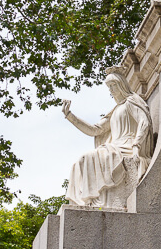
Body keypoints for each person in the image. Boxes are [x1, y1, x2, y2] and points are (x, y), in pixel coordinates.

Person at [62, 69, 154, 207]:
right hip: (114, 147)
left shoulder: (131, 102)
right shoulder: (115, 110)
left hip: (127, 147)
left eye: (113, 86)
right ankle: (83, 202)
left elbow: (144, 122)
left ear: (121, 85)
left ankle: (91, 200)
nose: (111, 90)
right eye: (109, 87)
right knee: (79, 163)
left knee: (88, 158)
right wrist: (70, 116)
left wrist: (137, 145)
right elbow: (95, 130)